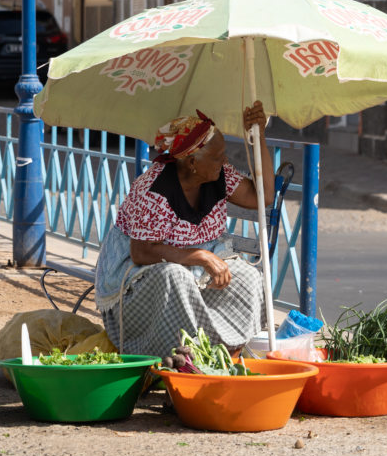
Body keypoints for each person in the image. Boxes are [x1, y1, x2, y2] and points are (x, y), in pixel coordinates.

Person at [93, 102, 275, 358]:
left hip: (197, 274)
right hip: (138, 284)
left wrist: (259, 138)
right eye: (216, 156)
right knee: (175, 276)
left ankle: (227, 352)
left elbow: (263, 196)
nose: (224, 160)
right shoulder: (153, 190)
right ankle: (184, 357)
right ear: (191, 162)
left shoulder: (219, 174)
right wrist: (199, 255)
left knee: (248, 278)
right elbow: (141, 252)